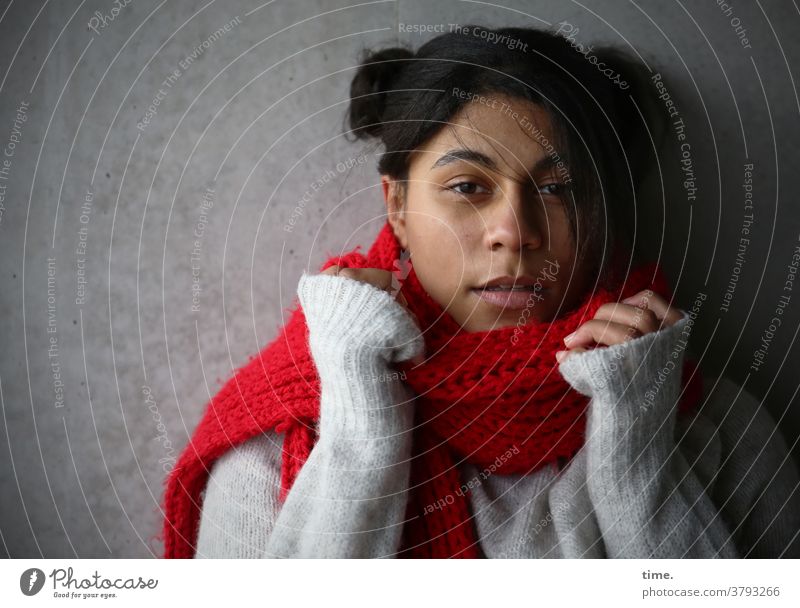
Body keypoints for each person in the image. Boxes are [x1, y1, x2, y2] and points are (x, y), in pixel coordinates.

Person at [160, 25, 800, 558]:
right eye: (468, 186)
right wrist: (361, 419)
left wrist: (639, 460)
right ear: (398, 206)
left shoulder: (718, 429)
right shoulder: (276, 444)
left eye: (559, 189)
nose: (514, 233)